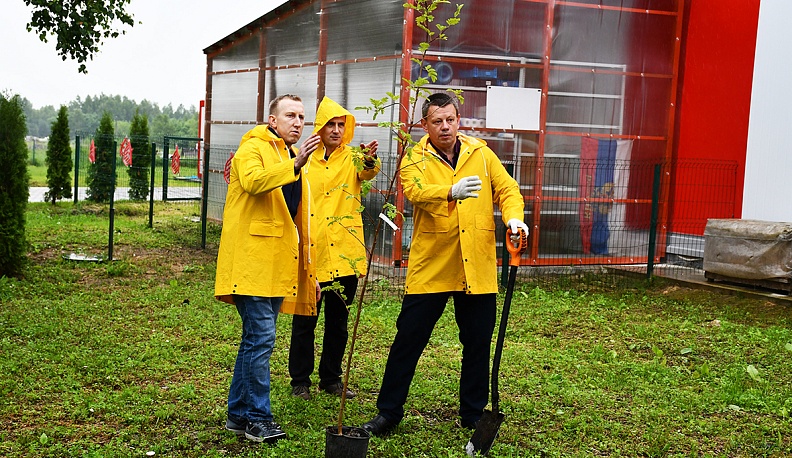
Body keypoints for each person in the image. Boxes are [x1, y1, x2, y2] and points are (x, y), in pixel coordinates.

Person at [362, 91, 529, 435]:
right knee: (408, 339)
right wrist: (450, 191)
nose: (445, 127)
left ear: (458, 120)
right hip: (433, 265)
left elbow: (508, 190)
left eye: (450, 119)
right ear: (425, 124)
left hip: (476, 264)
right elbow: (414, 192)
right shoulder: (414, 158)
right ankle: (388, 413)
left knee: (478, 342)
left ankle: (472, 414)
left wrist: (514, 219)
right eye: (437, 121)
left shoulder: (480, 153)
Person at [214, 94, 322, 443]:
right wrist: (296, 164)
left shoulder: (290, 156)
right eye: (289, 115)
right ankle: (258, 418)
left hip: (275, 266)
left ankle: (237, 415)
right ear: (272, 121)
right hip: (251, 263)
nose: (297, 122)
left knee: (254, 341)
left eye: (302, 116)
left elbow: (295, 218)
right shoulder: (253, 148)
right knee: (261, 340)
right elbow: (253, 181)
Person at [287, 96, 381, 401]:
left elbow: (369, 171)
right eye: (332, 124)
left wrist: (369, 159)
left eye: (342, 125)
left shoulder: (353, 157)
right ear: (320, 127)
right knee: (305, 321)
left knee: (338, 324)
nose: (338, 130)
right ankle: (300, 379)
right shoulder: (305, 157)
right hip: (312, 254)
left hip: (345, 255)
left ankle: (331, 378)